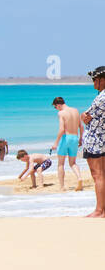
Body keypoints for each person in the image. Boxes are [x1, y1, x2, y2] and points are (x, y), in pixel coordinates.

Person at [80, 66, 105, 217]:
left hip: (96, 139)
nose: (94, 82)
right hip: (102, 138)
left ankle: (99, 210)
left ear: (102, 80)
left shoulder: (101, 97)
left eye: (95, 79)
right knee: (102, 175)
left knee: (98, 176)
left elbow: (86, 116)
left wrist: (84, 115)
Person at [51, 96, 83, 191]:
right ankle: (79, 178)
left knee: (61, 164)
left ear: (58, 105)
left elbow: (61, 129)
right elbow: (81, 127)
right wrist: (81, 139)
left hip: (66, 138)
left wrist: (56, 143)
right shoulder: (76, 110)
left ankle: (62, 187)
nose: (55, 109)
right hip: (75, 138)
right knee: (73, 163)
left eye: (55, 107)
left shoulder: (61, 113)